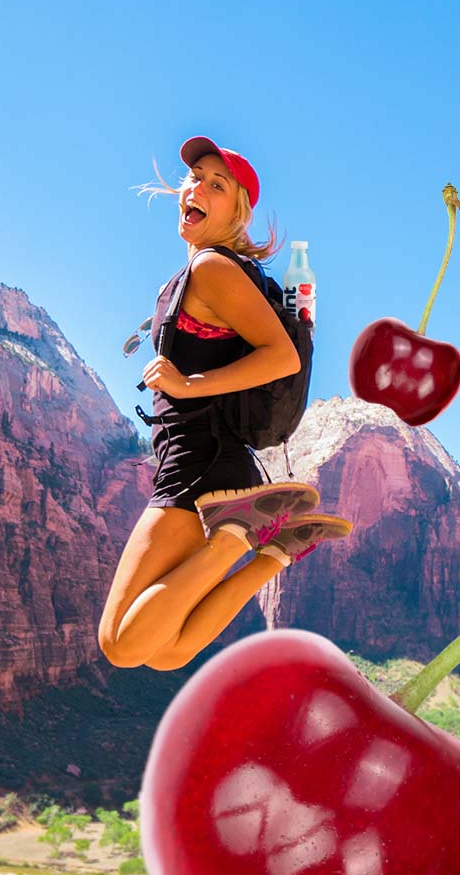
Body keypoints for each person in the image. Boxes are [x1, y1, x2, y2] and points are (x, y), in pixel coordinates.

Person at [98, 136, 352, 670]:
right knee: (167, 653)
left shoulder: (214, 267)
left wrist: (187, 385)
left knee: (121, 644)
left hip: (199, 464)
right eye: (195, 178)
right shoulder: (212, 272)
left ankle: (240, 534)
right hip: (215, 463)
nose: (198, 188)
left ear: (238, 213)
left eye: (218, 185)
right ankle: (276, 550)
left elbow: (281, 357)